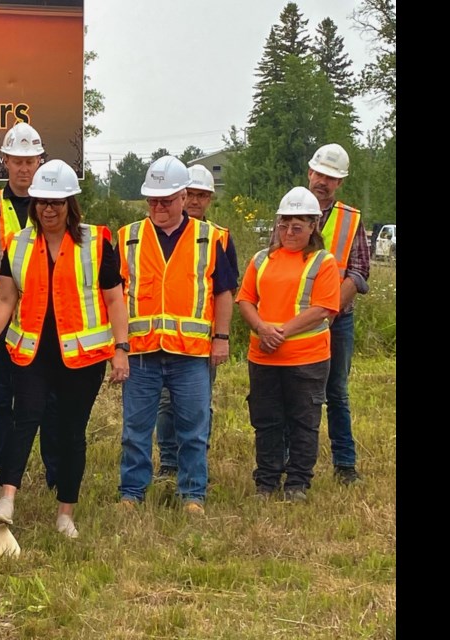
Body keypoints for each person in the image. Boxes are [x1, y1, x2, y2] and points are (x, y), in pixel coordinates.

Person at [0, 159, 128, 539]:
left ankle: (65, 512)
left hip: (82, 356)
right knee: (24, 419)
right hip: (32, 351)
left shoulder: (97, 242)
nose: (48, 209)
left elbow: (114, 300)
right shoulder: (19, 243)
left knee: (71, 432)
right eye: (42, 201)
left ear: (70, 205)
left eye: (57, 202)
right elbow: (7, 298)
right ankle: (6, 498)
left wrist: (121, 349)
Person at [116, 155, 236, 516]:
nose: (158, 207)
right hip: (142, 350)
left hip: (192, 353)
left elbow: (224, 292)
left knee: (193, 427)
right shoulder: (128, 238)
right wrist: (118, 345)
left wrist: (222, 337)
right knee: (136, 428)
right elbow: (113, 295)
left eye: (165, 200)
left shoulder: (211, 238)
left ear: (184, 197)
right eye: (152, 200)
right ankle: (132, 493)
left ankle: (192, 494)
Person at [237, 187, 340, 501]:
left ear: (313, 227)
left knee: (303, 422)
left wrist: (278, 332)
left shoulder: (324, 262)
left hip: (306, 359)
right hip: (264, 358)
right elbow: (245, 300)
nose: (289, 232)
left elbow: (323, 308)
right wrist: (261, 328)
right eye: (283, 225)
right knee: (266, 422)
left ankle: (297, 484)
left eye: (297, 227)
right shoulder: (261, 260)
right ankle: (266, 483)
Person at [154, 164, 239, 480]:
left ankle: (195, 461)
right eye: (193, 194)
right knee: (166, 404)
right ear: (181, 193)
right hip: (162, 338)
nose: (196, 201)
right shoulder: (157, 232)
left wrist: (221, 336)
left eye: (204, 195)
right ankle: (168, 462)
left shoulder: (219, 237)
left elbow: (226, 290)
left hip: (201, 341)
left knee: (199, 405)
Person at [0, 122, 60, 490]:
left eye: (30, 161)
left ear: (40, 161)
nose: (24, 168)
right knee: (1, 397)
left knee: (47, 398)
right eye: (17, 161)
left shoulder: (53, 202)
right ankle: (3, 470)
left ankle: (53, 470)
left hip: (43, 316)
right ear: (5, 162)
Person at [306, 143, 370, 485]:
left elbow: (359, 272)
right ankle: (294, 462)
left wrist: (328, 311)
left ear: (339, 183)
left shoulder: (351, 218)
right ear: (310, 172)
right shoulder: (290, 210)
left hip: (337, 321)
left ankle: (345, 467)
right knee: (298, 393)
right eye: (320, 174)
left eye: (331, 178)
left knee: (336, 393)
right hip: (298, 322)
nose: (324, 182)